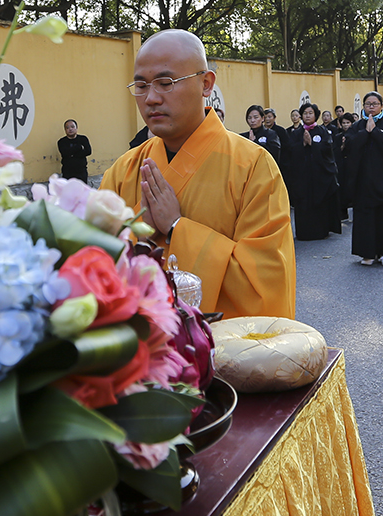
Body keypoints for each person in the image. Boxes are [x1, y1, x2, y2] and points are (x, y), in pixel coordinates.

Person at [100, 29, 294, 319]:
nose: (151, 98)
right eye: (141, 86)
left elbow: (265, 288)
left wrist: (177, 227)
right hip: (142, 351)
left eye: (165, 83)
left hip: (223, 352)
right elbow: (95, 272)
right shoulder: (123, 170)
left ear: (206, 84)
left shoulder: (253, 167)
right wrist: (140, 240)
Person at [340, 91, 383, 266]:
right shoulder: (357, 126)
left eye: (375, 104)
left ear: (381, 106)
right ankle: (367, 253)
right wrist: (364, 133)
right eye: (368, 104)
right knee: (365, 217)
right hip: (363, 180)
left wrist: (375, 132)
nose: (371, 107)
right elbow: (348, 145)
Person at [282, 102, 341, 241]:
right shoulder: (296, 133)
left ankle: (321, 230)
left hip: (319, 175)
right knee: (303, 203)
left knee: (319, 202)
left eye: (310, 113)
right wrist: (302, 145)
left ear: (315, 115)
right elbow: (290, 151)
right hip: (302, 176)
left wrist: (313, 145)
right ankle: (304, 232)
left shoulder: (322, 131)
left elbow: (328, 151)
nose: (307, 116)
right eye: (305, 113)